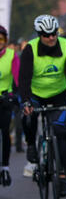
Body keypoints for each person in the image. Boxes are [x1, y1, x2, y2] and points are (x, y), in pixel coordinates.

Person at [19, 15, 66, 193]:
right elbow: (24, 78)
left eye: (54, 33)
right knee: (28, 117)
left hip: (58, 94)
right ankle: (31, 144)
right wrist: (26, 101)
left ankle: (61, 176)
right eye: (46, 35)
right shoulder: (30, 49)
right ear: (39, 35)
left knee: (60, 132)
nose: (51, 37)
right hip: (36, 93)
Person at [0, 25, 20, 187]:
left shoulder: (12, 55)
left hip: (5, 98)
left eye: (1, 39)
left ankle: (5, 167)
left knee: (4, 131)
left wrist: (17, 96)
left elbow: (19, 79)